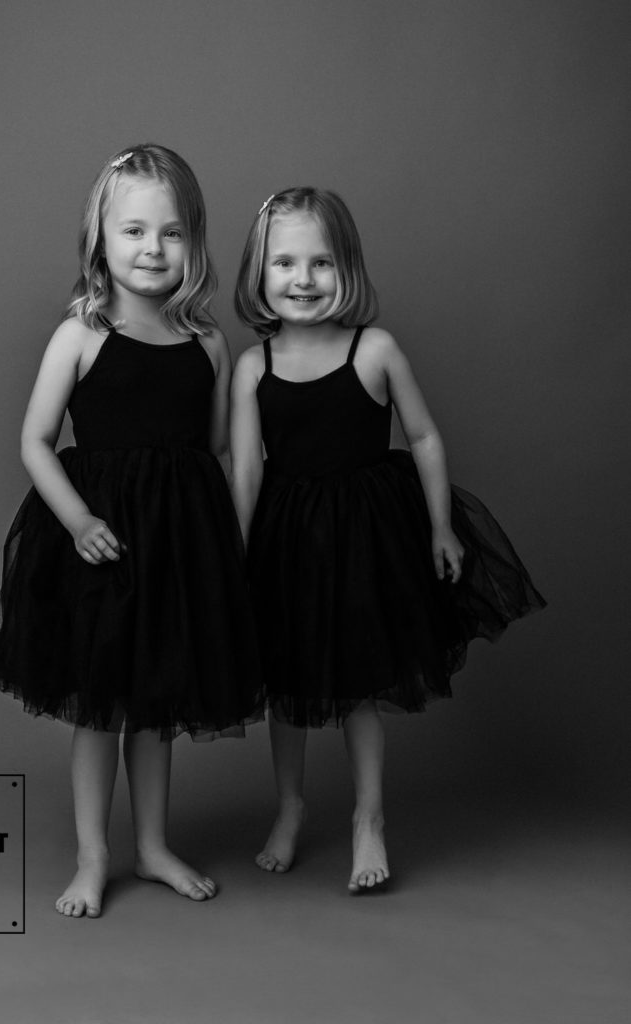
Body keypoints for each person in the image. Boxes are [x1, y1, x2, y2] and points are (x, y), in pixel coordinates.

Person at [230, 187, 545, 894]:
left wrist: (437, 524)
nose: (303, 280)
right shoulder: (254, 367)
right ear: (259, 272)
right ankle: (289, 807)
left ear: (347, 270)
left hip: (364, 539)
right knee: (286, 688)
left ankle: (367, 818)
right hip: (286, 541)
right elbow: (247, 470)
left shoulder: (374, 349)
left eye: (320, 263)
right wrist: (237, 553)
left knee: (360, 688)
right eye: (284, 263)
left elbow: (425, 436)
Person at [0, 144, 262, 918]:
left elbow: (211, 450)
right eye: (134, 231)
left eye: (170, 234)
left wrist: (220, 535)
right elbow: (35, 441)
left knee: (158, 704)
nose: (152, 249)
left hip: (177, 544)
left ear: (194, 242)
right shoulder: (82, 333)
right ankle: (93, 855)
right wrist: (77, 521)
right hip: (100, 544)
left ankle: (152, 846)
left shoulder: (208, 341)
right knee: (100, 707)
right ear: (99, 239)